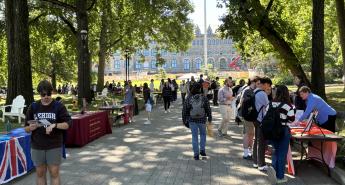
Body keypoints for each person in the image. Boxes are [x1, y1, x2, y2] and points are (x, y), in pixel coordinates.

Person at [24, 80, 71, 185]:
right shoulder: (33, 107)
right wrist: (30, 128)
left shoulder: (59, 106)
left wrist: (55, 125)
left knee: (54, 173)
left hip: (54, 145)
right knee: (40, 173)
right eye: (43, 94)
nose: (46, 96)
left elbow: (68, 124)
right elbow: (25, 129)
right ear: (39, 94)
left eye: (48, 94)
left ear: (52, 92)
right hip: (37, 145)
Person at [266, 85, 295, 184]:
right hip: (283, 131)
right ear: (286, 93)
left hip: (272, 131)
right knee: (282, 154)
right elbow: (292, 119)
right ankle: (280, 176)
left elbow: (266, 116)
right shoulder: (288, 105)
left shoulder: (270, 103)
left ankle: (274, 172)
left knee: (275, 152)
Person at [182, 83, 212, 160]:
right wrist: (210, 117)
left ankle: (196, 154)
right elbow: (208, 108)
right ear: (200, 89)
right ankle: (202, 150)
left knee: (194, 137)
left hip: (192, 120)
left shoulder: (189, 98)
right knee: (203, 134)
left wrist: (184, 120)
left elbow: (185, 109)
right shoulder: (204, 97)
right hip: (202, 119)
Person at [253, 77, 272, 171]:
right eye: (268, 85)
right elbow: (269, 107)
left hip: (254, 119)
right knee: (261, 142)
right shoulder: (263, 94)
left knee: (256, 140)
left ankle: (255, 162)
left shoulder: (255, 91)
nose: (268, 88)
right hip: (261, 120)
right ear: (265, 84)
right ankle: (261, 164)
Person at [238, 77, 258, 159]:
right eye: (257, 82)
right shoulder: (247, 90)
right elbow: (242, 102)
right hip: (247, 116)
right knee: (247, 134)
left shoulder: (252, 90)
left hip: (250, 116)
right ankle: (246, 153)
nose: (258, 84)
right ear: (253, 82)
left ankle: (249, 152)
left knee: (251, 134)